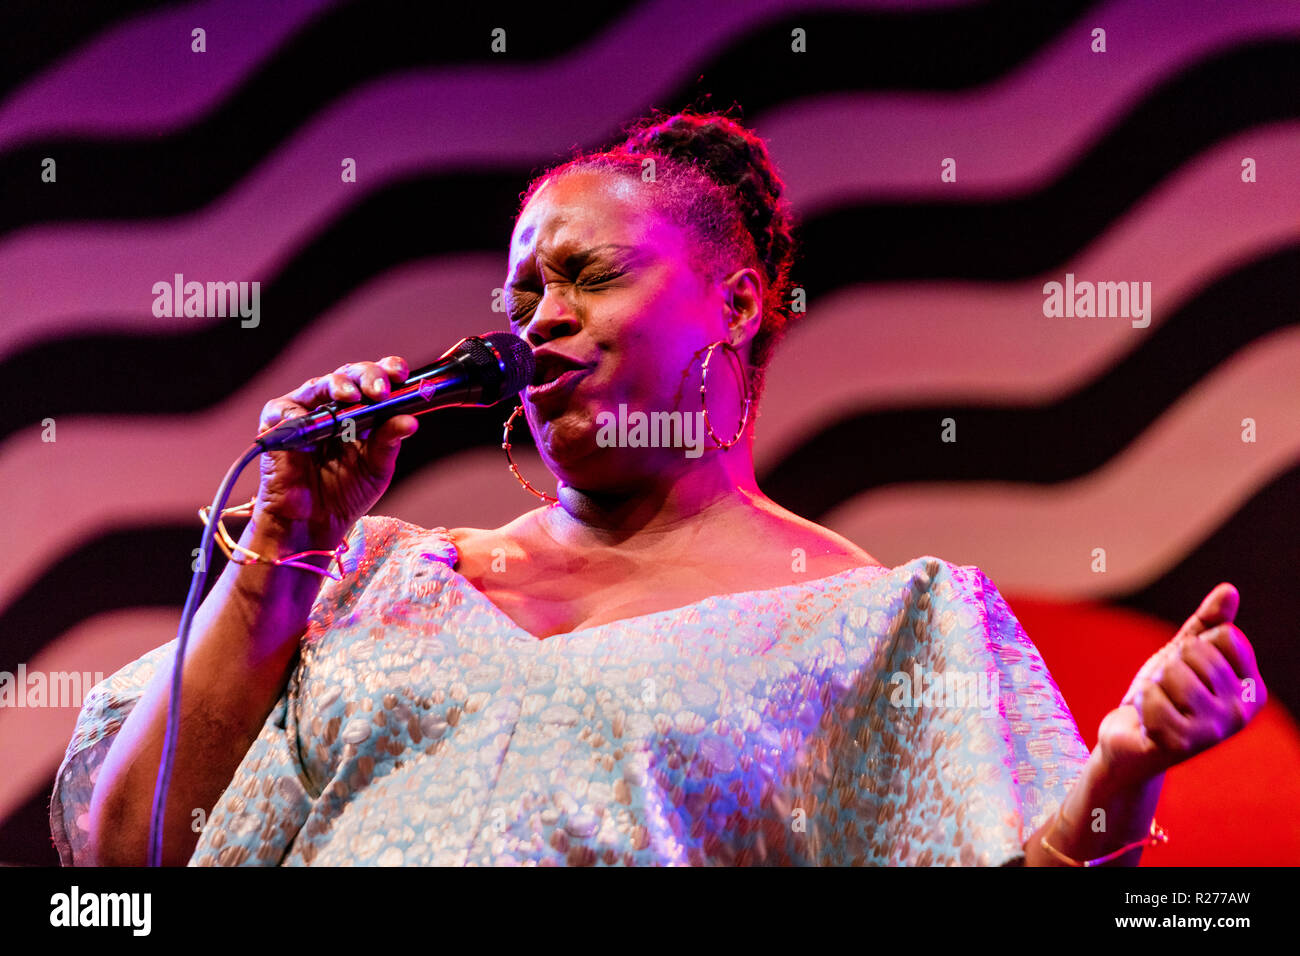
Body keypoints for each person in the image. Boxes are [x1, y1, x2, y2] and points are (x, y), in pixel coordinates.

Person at [56, 109, 1265, 866]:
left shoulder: (870, 624)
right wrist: (287, 538)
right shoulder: (368, 577)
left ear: (736, 304)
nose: (540, 322)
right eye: (523, 293)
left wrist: (1120, 772)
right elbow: (131, 857)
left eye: (587, 276)